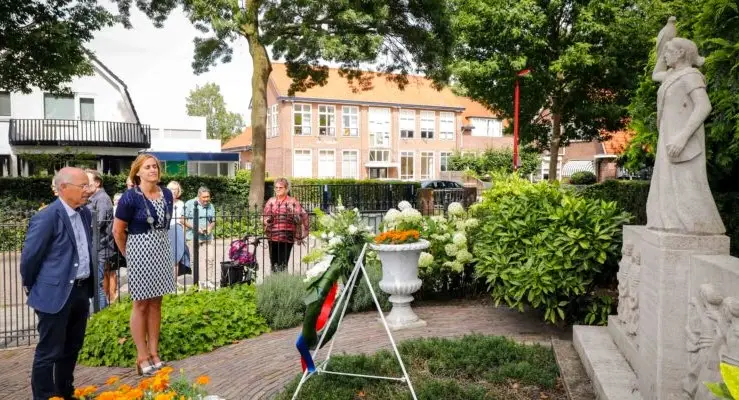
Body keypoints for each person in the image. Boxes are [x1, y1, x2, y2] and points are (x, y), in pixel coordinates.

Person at [20, 167, 94, 400]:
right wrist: (37, 289)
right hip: (55, 295)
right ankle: (43, 396)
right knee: (49, 351)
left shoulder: (84, 214)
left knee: (72, 348)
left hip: (80, 291)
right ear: (63, 188)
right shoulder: (47, 217)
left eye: (88, 185)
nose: (88, 190)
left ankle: (64, 392)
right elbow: (30, 259)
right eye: (83, 186)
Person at [646, 33, 725, 235]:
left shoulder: (691, 75)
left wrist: (682, 137)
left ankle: (700, 226)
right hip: (668, 137)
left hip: (683, 139)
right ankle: (669, 223)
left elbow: (704, 106)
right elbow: (656, 73)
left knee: (688, 184)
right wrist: (663, 42)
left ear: (681, 53)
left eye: (668, 52)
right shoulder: (671, 76)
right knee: (667, 182)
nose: (665, 57)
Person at [112, 154, 175, 376]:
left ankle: (154, 352)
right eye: (147, 167)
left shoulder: (167, 194)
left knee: (157, 302)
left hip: (162, 250)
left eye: (155, 167)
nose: (153, 170)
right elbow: (117, 231)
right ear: (137, 172)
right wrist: (128, 254)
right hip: (139, 250)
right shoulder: (130, 198)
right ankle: (142, 355)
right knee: (140, 304)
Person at [263, 177, 309, 272]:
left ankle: (282, 281)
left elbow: (303, 215)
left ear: (286, 189)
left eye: (281, 187)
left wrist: (306, 231)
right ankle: (274, 283)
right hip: (272, 236)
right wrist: (266, 220)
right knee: (274, 263)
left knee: (283, 263)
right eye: (276, 187)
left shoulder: (292, 201)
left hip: (287, 237)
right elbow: (264, 217)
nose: (278, 189)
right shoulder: (271, 201)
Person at [85, 169, 115, 309]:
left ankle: (100, 315)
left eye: (87, 182)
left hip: (100, 247)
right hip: (94, 247)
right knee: (95, 285)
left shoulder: (102, 199)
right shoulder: (92, 198)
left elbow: (98, 223)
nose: (84, 186)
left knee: (97, 286)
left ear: (97, 182)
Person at [184, 187, 216, 286]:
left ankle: (208, 281)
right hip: (193, 236)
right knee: (194, 260)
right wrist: (195, 227)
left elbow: (213, 221)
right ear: (198, 196)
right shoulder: (189, 204)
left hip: (207, 236)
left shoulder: (211, 206)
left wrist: (210, 227)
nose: (206, 199)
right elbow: (182, 220)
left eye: (208, 197)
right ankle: (196, 282)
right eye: (204, 197)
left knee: (210, 258)